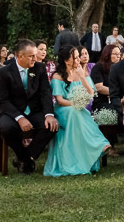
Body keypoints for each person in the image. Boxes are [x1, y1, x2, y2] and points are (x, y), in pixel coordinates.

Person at [46, 45, 112, 176]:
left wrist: (82, 77)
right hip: (63, 110)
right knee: (74, 112)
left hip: (78, 110)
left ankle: (98, 146)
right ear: (66, 60)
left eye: (78, 57)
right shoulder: (58, 76)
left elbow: (91, 92)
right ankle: (99, 143)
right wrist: (75, 104)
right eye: (75, 57)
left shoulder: (82, 71)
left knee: (81, 113)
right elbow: (59, 100)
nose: (78, 60)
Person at [0, 39, 59, 174]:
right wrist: (19, 118)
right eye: (31, 56)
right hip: (13, 111)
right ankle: (24, 157)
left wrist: (49, 115)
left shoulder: (39, 68)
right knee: (6, 127)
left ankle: (26, 158)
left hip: (34, 110)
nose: (35, 58)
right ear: (20, 56)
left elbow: (45, 93)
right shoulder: (4, 72)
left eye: (35, 55)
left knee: (51, 126)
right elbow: (4, 100)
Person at [90, 43, 120, 112]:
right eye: (115, 54)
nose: (118, 56)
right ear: (107, 54)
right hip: (102, 102)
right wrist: (117, 93)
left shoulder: (120, 68)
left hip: (118, 100)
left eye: (119, 54)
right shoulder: (98, 67)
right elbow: (99, 87)